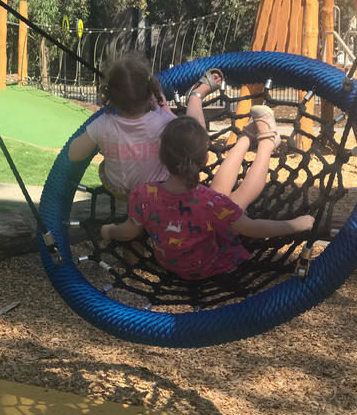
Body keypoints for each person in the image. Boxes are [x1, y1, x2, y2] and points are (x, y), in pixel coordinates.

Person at [100, 106, 315, 280]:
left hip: (170, 263)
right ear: (204, 161)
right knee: (235, 201)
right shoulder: (210, 203)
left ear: (163, 158)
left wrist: (109, 231)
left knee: (216, 199)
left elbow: (128, 231)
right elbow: (251, 228)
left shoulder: (143, 195)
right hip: (210, 266)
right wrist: (296, 225)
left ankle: (246, 137)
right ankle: (267, 143)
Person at [68, 55, 222, 199]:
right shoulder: (162, 121)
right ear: (150, 94)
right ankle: (196, 97)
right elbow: (193, 136)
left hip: (120, 190)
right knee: (194, 133)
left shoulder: (101, 124)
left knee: (104, 165)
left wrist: (101, 141)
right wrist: (165, 110)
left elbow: (74, 155)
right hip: (156, 190)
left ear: (110, 98)